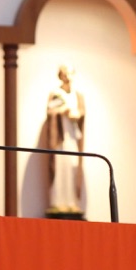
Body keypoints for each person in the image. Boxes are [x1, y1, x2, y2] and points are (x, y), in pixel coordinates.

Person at [46, 64, 86, 214]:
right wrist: (62, 111)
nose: (67, 77)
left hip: (73, 137)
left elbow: (82, 112)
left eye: (70, 74)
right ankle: (58, 201)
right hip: (60, 138)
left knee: (72, 166)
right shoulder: (56, 94)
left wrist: (76, 114)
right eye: (65, 74)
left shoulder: (77, 95)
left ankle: (72, 201)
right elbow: (51, 110)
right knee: (59, 167)